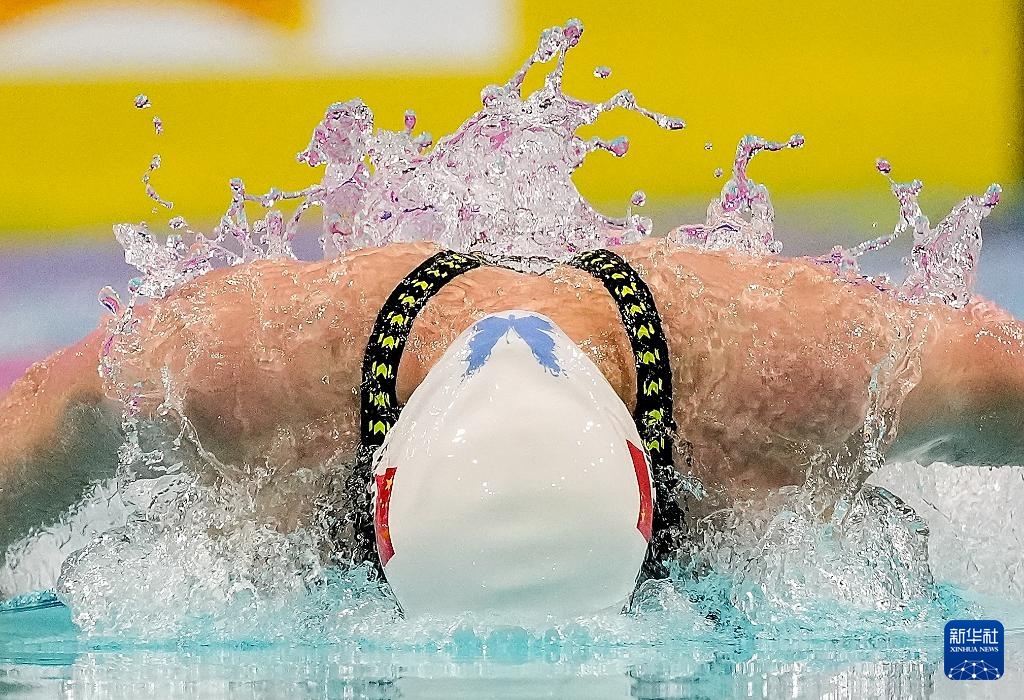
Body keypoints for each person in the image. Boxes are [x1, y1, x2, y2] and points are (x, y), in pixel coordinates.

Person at [1, 237, 1023, 603]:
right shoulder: (258, 371)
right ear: (378, 502)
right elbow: (47, 409)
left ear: (648, 494)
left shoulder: (792, 380)